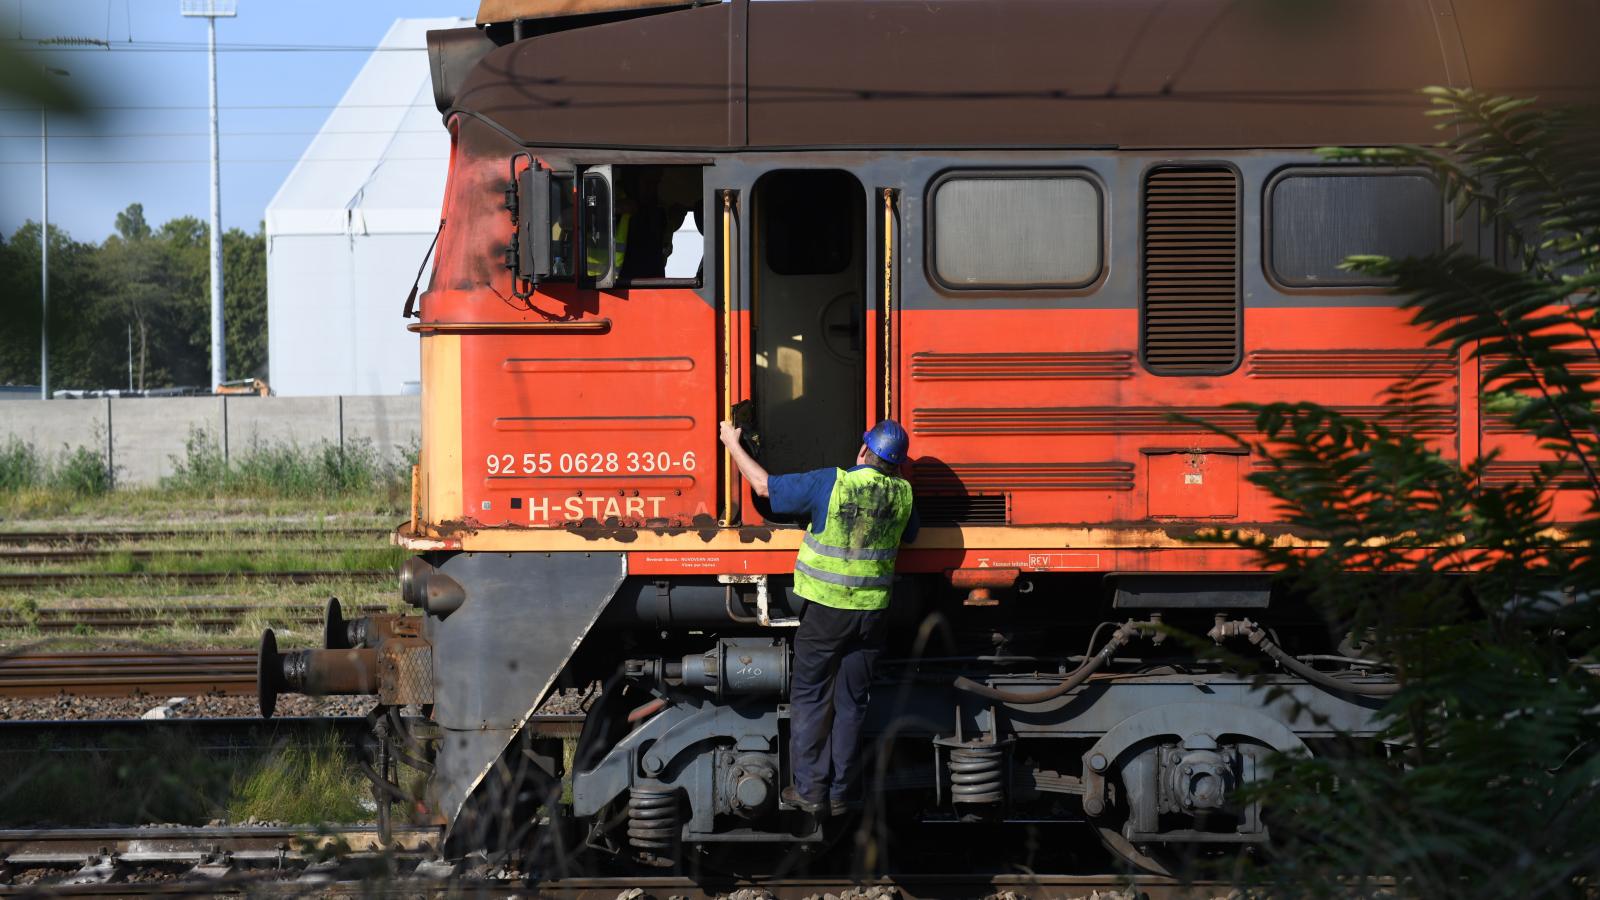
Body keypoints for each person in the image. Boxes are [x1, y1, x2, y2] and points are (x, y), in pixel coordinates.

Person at [718, 419, 919, 817]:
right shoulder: (904, 494)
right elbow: (910, 535)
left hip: (827, 611)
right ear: (897, 464)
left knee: (811, 697)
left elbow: (763, 487)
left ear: (864, 451)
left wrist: (731, 444)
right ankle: (842, 792)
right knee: (851, 703)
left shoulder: (834, 483)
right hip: (872, 616)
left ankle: (810, 790)